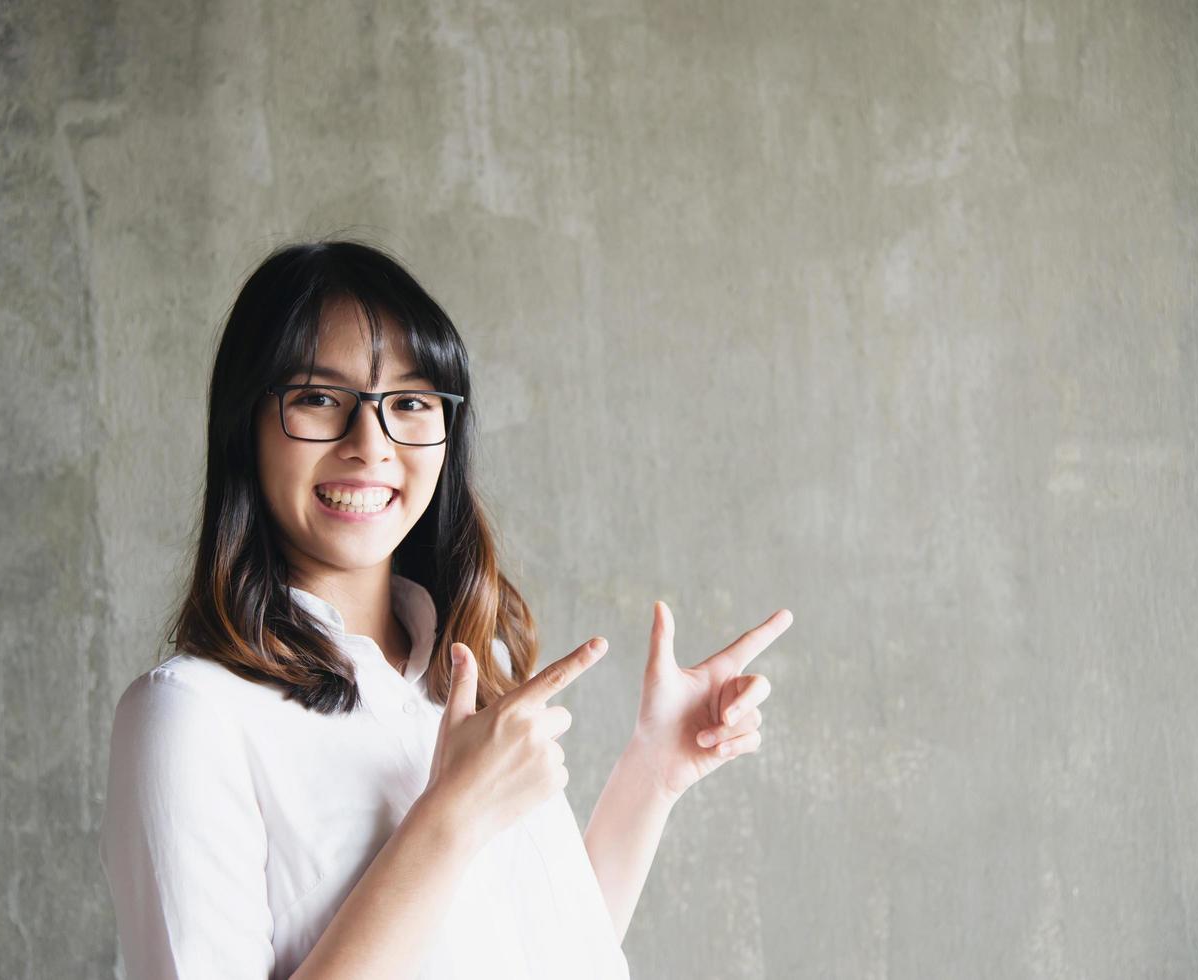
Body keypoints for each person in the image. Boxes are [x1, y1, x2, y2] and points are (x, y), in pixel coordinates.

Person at [98, 239, 792, 979]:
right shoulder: (191, 717)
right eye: (318, 398)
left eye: (409, 403)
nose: (371, 444)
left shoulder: (467, 671)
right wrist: (449, 818)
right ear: (246, 425)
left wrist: (652, 774)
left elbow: (553, 952)